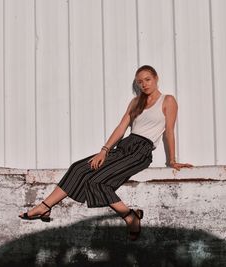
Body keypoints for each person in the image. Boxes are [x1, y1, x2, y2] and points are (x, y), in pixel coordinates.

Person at [19, 65, 192, 241]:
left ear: (156, 79)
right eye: (140, 82)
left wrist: (172, 160)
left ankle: (131, 217)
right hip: (125, 147)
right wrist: (104, 151)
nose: (144, 84)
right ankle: (45, 206)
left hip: (141, 152)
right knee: (79, 168)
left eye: (148, 79)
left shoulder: (168, 100)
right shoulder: (135, 103)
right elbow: (121, 129)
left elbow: (169, 131)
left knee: (98, 182)